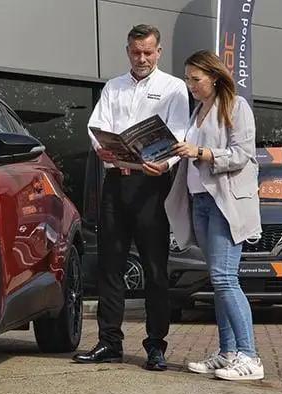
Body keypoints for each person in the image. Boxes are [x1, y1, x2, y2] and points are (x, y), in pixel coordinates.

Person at [71, 24, 191, 372]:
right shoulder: (113, 86)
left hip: (152, 186)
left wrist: (165, 162)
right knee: (110, 266)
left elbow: (180, 133)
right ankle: (110, 342)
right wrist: (102, 148)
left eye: (148, 52)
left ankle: (156, 346)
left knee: (155, 270)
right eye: (136, 52)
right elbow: (97, 126)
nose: (141, 58)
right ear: (128, 51)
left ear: (158, 51)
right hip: (115, 184)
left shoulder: (174, 89)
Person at [158, 50, 264, 381]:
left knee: (224, 278)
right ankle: (228, 352)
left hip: (225, 202)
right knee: (218, 281)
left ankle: (250, 357)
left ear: (214, 77)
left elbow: (242, 154)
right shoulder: (197, 111)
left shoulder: (236, 106)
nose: (189, 84)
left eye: (195, 79)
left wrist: (201, 152)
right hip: (200, 202)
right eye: (187, 78)